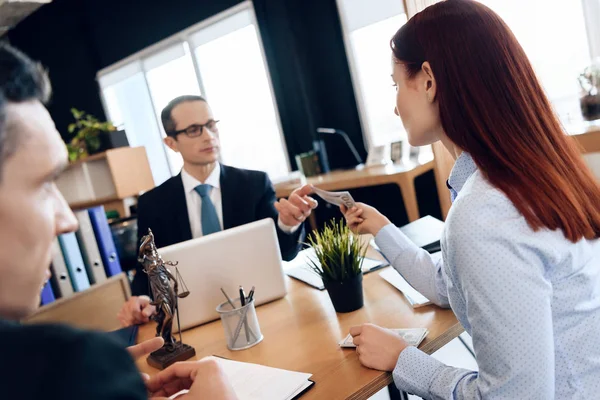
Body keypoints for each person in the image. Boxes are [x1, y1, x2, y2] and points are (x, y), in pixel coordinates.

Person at [342, 1, 600, 398]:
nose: (395, 106)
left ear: (428, 80)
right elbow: (450, 286)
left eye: (396, 85)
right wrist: (381, 227)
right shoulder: (536, 173)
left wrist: (405, 360)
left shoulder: (485, 211)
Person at [0, 43, 237, 399]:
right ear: (170, 142)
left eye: (210, 125)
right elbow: (143, 273)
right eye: (44, 183)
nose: (69, 221)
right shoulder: (77, 366)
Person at [120, 94, 317, 326]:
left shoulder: (253, 184)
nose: (208, 136)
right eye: (194, 130)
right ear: (171, 143)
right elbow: (147, 267)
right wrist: (141, 298)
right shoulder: (153, 203)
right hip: (194, 314)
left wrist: (288, 224)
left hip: (259, 306)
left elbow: (285, 253)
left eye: (211, 125)